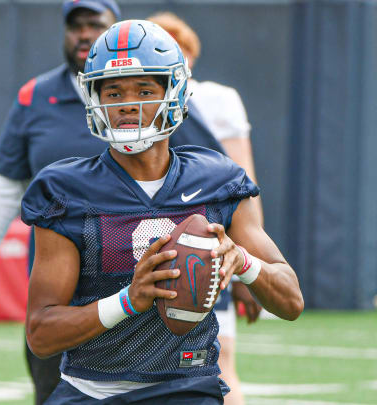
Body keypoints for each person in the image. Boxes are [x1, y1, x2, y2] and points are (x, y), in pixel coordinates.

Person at [22, 20, 303, 404]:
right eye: (114, 91)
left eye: (144, 90)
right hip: (92, 392)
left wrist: (243, 262)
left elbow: (291, 301)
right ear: (95, 99)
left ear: (174, 92)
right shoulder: (66, 190)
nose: (127, 104)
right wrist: (127, 301)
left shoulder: (218, 180)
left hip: (189, 388)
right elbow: (41, 334)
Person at [0, 1, 120, 403]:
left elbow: (210, 172)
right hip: (54, 291)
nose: (84, 34)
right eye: (75, 26)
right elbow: (2, 189)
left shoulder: (146, 91)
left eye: (95, 25)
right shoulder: (36, 96)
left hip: (129, 278)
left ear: (117, 31)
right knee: (51, 391)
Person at [148, 12, 263, 405]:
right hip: (154, 243)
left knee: (220, 362)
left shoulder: (215, 98)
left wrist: (249, 259)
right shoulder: (140, 100)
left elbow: (243, 185)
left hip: (206, 246)